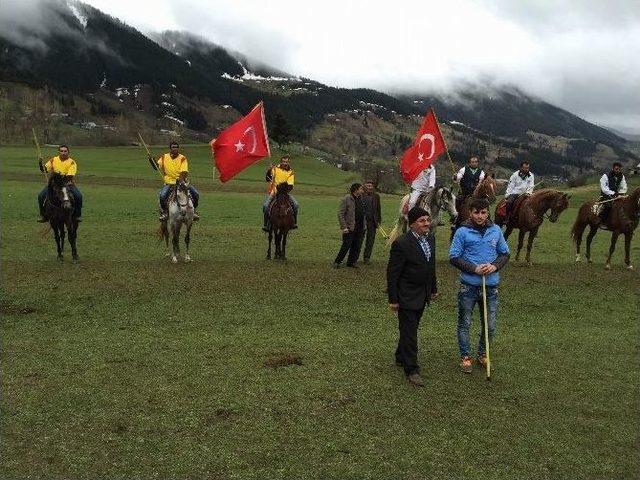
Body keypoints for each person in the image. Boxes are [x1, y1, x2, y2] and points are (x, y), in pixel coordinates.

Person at [449, 197, 510, 374]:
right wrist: (474, 268)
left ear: (487, 212)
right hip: (468, 287)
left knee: (489, 325)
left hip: (491, 287)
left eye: (483, 212)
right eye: (476, 212)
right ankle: (465, 356)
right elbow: (454, 257)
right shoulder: (462, 231)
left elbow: (504, 254)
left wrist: (494, 266)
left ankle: (483, 354)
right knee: (465, 323)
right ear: (470, 212)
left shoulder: (496, 230)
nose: (480, 216)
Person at [387, 206, 438, 387]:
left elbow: (430, 266)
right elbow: (392, 274)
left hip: (422, 293)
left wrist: (433, 288)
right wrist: (393, 299)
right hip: (406, 295)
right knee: (410, 333)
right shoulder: (401, 243)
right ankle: (412, 369)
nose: (426, 224)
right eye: (422, 221)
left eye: (427, 220)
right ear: (412, 224)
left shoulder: (430, 239)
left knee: (411, 328)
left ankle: (401, 356)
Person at [149, 142, 199, 221]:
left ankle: (194, 212)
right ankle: (164, 213)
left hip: (181, 182)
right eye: (173, 147)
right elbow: (157, 167)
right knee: (162, 195)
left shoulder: (183, 158)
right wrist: (151, 160)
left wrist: (181, 181)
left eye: (176, 147)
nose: (175, 148)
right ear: (170, 148)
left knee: (195, 193)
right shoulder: (164, 157)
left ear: (178, 148)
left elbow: (184, 171)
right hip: (169, 183)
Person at [37, 144, 83, 222]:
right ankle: (44, 215)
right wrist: (40, 163)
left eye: (65, 151)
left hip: (67, 184)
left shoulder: (72, 162)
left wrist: (61, 182)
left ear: (68, 152)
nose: (63, 153)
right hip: (53, 185)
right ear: (59, 152)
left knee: (78, 196)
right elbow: (45, 170)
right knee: (41, 196)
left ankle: (77, 215)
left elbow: (70, 176)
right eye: (61, 151)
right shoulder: (53, 160)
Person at [263, 155, 299, 231]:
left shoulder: (290, 172)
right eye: (283, 162)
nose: (285, 163)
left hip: (284, 193)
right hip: (274, 192)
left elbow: (290, 185)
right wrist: (269, 170)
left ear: (288, 162)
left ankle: (294, 222)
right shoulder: (275, 169)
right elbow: (267, 178)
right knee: (266, 206)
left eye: (286, 162)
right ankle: (266, 224)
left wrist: (283, 191)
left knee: (296, 205)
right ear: (281, 162)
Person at [333, 183, 365, 268]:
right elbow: (340, 214)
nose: (362, 190)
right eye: (361, 189)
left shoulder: (361, 199)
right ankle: (337, 262)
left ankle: (351, 262)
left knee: (357, 246)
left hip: (360, 227)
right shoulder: (346, 199)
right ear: (356, 190)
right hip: (349, 227)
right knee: (346, 245)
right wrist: (344, 227)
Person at [361, 180, 382, 264]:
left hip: (373, 222)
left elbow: (378, 209)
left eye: (371, 186)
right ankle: (354, 258)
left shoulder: (376, 196)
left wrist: (379, 220)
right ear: (365, 186)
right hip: (362, 221)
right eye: (368, 186)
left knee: (370, 241)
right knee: (359, 240)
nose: (370, 187)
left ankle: (366, 258)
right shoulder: (361, 195)